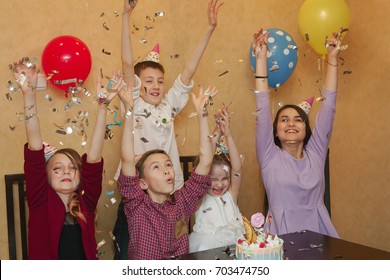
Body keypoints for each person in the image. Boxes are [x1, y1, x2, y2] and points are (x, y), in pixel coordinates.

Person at [113, 0, 223, 259]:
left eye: (160, 81)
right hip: (140, 196)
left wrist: (209, 28)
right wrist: (126, 16)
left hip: (170, 195)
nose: (156, 86)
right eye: (148, 81)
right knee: (135, 255)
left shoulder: (168, 106)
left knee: (174, 251)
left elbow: (188, 70)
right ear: (138, 85)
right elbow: (128, 64)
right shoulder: (135, 103)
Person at [11, 57, 121, 259]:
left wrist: (103, 107)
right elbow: (34, 145)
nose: (66, 172)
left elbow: (94, 159)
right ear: (45, 176)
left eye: (72, 168)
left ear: (81, 175)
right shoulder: (39, 199)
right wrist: (28, 94)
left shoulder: (86, 200)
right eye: (57, 168)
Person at [253, 27, 345, 238]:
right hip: (279, 239)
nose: (291, 124)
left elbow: (329, 106)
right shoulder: (269, 155)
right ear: (274, 131)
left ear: (306, 128)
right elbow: (262, 106)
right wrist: (260, 59)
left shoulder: (317, 152)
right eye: (284, 120)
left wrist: (332, 60)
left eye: (298, 120)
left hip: (319, 234)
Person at [117, 84, 215, 259]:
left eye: (168, 164)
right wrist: (129, 111)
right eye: (156, 167)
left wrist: (202, 114)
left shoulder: (182, 203)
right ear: (142, 182)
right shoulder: (137, 205)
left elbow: (206, 161)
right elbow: (127, 158)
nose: (166, 170)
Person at [189, 105, 244, 252]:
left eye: (225, 178)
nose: (219, 184)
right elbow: (205, 163)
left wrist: (228, 135)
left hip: (235, 246)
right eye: (213, 179)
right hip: (206, 248)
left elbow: (237, 168)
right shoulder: (199, 198)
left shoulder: (231, 194)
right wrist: (216, 134)